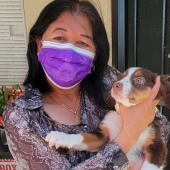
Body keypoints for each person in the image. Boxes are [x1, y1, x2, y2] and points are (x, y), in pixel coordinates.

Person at [2, 0, 170, 169]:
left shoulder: (109, 79)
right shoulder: (22, 116)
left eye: (82, 42)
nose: (69, 50)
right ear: (39, 45)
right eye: (59, 37)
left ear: (94, 56)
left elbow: (162, 128)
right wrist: (130, 133)